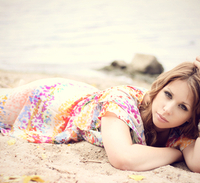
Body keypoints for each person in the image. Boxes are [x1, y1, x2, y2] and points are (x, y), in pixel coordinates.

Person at [1, 56, 200, 173]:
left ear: (193, 116)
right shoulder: (122, 100)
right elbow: (123, 158)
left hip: (84, 96)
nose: (167, 109)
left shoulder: (182, 130)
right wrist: (176, 153)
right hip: (52, 100)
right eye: (168, 94)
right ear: (160, 86)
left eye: (183, 107)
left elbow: (197, 163)